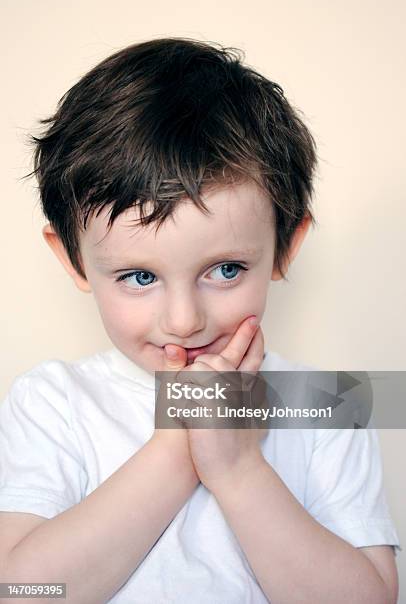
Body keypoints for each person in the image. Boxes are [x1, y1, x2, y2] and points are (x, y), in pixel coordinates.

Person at [0, 37, 401, 603]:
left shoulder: (329, 403)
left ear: (287, 248)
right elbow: (25, 592)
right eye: (139, 277)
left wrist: (238, 469)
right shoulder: (52, 401)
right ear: (72, 259)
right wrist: (178, 445)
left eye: (226, 269)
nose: (184, 320)